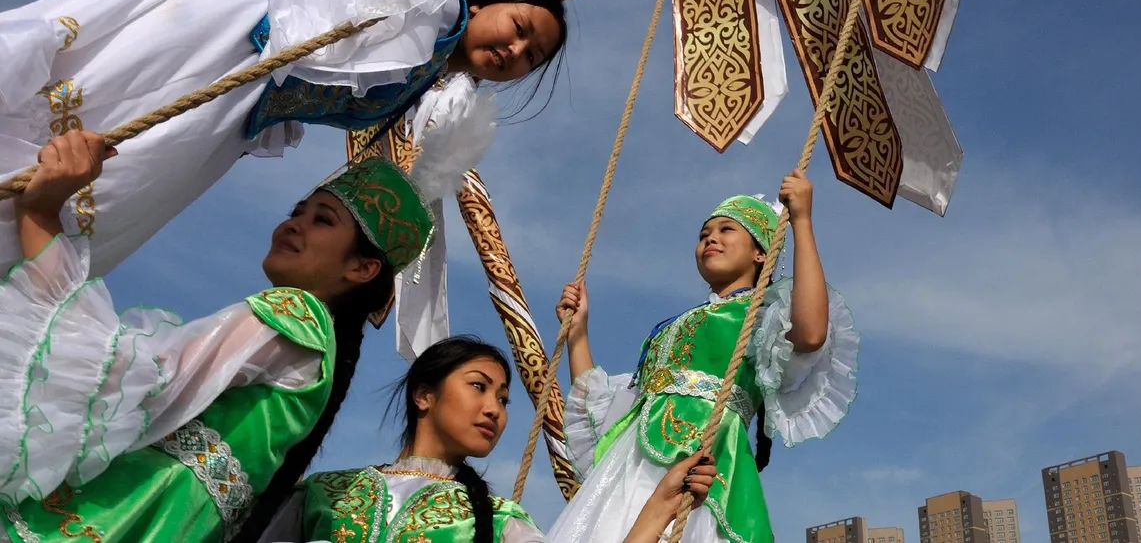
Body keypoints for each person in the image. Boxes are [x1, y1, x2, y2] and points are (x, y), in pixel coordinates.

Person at [0, 0, 568, 282]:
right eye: (517, 25)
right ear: (494, 0)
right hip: (230, 33)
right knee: (87, 85)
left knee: (108, 191)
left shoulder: (424, 82)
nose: (514, 48)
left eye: (530, 55)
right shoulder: (440, 7)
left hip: (233, 112)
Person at [0, 130, 438, 542]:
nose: (293, 225)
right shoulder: (320, 354)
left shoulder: (298, 314)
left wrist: (39, 217)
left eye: (322, 220)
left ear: (361, 269)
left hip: (128, 508)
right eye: (296, 212)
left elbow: (142, 378)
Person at [548, 171, 861, 543]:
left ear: (761, 251)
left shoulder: (760, 315)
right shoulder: (668, 328)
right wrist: (578, 333)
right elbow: (606, 409)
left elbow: (810, 333)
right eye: (703, 234)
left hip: (705, 468)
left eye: (727, 229)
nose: (711, 237)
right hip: (633, 468)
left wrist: (803, 222)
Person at [253, 335, 719, 543]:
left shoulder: (499, 523)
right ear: (424, 395)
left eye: (503, 398)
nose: (495, 408)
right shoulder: (324, 494)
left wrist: (659, 506)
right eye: (478, 386)